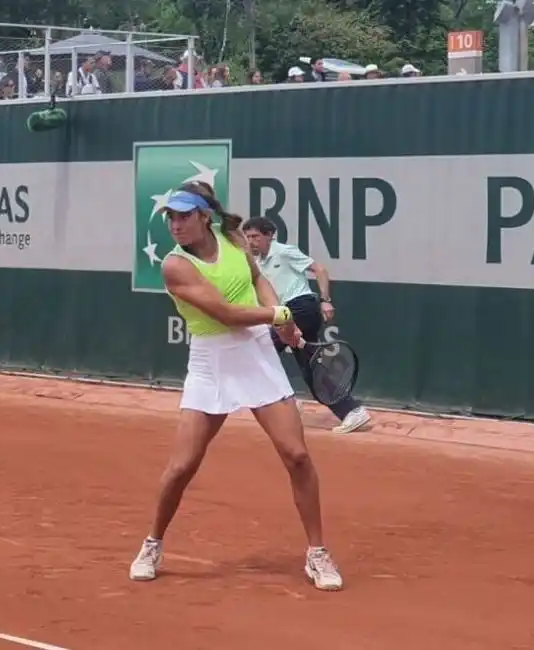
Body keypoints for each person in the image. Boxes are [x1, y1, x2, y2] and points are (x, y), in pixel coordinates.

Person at [128, 182, 343, 591]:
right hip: (211, 363)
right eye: (170, 217)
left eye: (183, 216)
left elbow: (257, 278)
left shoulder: (233, 239)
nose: (175, 225)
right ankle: (152, 542)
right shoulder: (175, 266)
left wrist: (281, 316)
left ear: (203, 216)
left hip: (256, 355)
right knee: (182, 467)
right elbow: (226, 314)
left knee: (297, 455)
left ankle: (317, 553)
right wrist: (280, 316)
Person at [243, 216, 372, 434]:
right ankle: (352, 411)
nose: (251, 242)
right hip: (284, 313)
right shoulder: (257, 264)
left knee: (262, 349)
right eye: (247, 237)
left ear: (270, 235)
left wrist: (325, 300)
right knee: (310, 368)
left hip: (301, 307)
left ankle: (286, 399)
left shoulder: (284, 251)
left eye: (255, 236)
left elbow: (320, 270)